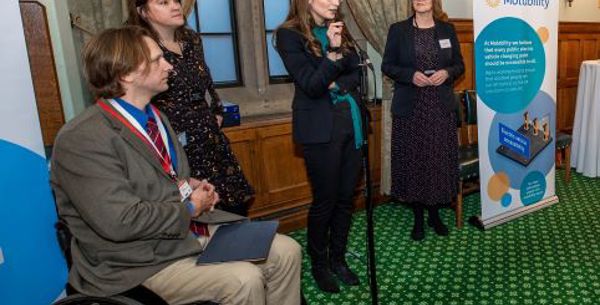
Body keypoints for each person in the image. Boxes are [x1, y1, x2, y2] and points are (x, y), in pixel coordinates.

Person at [50, 26, 301, 305]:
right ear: (127, 73)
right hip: (137, 262)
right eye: (158, 60)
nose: (169, 66)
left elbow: (163, 175)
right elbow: (120, 222)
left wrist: (189, 184)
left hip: (185, 234)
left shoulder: (156, 116)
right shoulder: (82, 138)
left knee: (287, 250)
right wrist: (192, 206)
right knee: (244, 279)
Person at [127, 0, 253, 216]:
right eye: (163, 3)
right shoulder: (137, 48)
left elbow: (206, 79)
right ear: (142, 11)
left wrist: (217, 110)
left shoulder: (191, 39)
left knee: (235, 205)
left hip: (208, 134)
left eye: (175, 0)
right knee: (200, 213)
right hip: (176, 142)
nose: (176, 6)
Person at [275, 0, 364, 294]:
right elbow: (311, 85)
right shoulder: (289, 35)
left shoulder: (339, 28)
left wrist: (335, 83)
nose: (336, 2)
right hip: (319, 129)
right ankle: (319, 264)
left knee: (346, 198)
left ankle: (338, 259)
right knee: (325, 199)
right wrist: (333, 53)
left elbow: (356, 72)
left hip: (351, 123)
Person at [382, 0, 464, 241]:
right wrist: (410, 75)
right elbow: (388, 65)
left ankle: (434, 213)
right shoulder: (398, 30)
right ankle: (418, 218)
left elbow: (460, 65)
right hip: (412, 107)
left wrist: (447, 73)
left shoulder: (447, 30)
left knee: (436, 160)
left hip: (439, 107)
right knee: (415, 160)